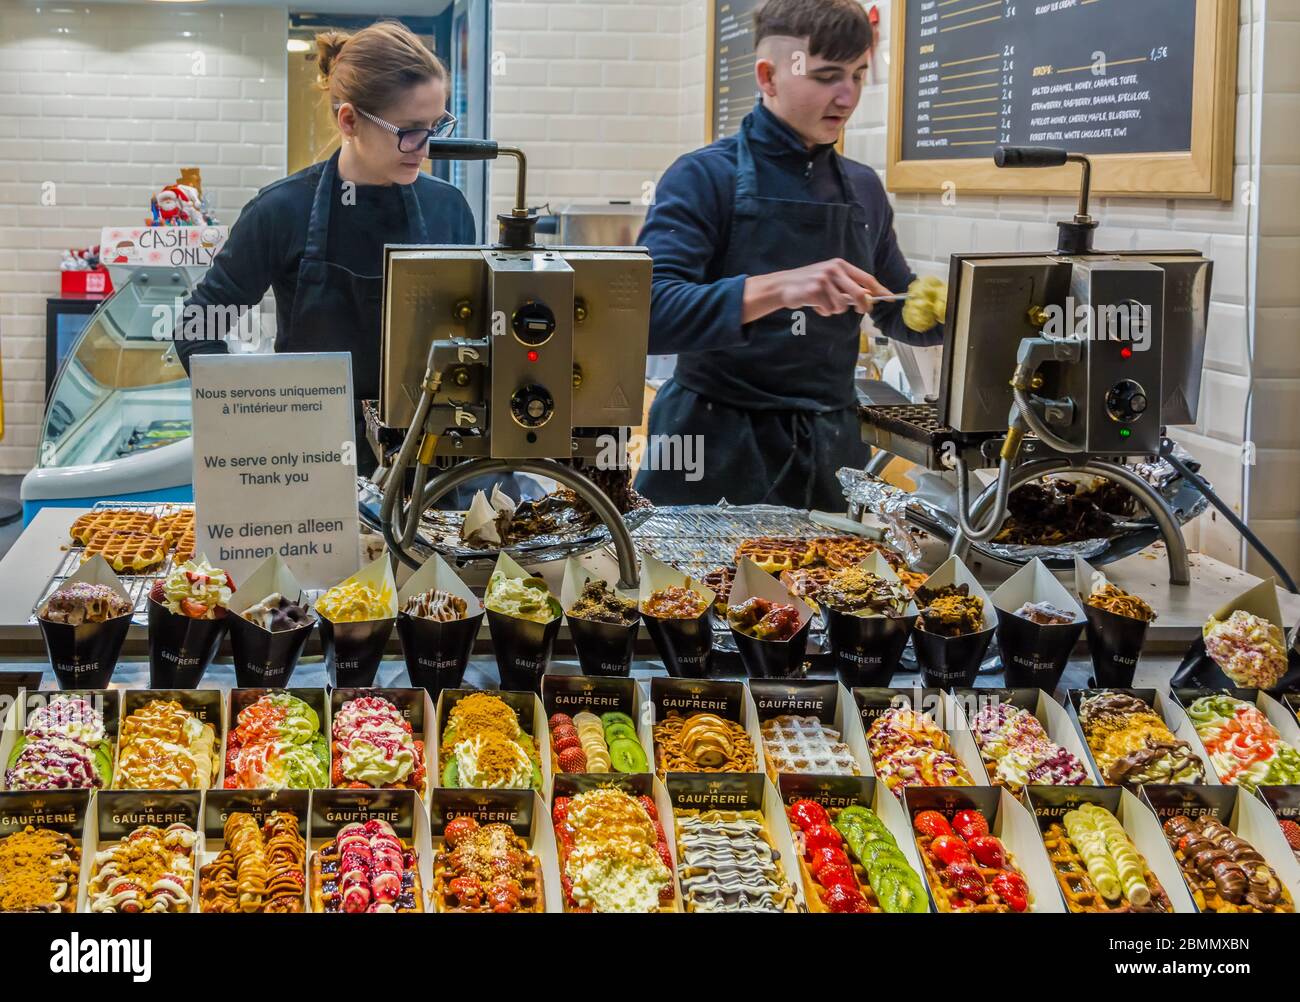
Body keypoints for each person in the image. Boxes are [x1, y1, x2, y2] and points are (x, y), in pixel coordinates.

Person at [634, 0, 944, 511]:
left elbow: (892, 307)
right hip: (710, 445)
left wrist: (952, 310)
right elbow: (649, 316)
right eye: (826, 77)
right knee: (691, 593)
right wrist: (778, 288)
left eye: (859, 76)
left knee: (828, 589)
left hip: (829, 450)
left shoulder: (863, 189)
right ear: (768, 77)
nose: (847, 96)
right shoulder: (702, 177)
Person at [171, 21, 475, 477]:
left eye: (436, 126)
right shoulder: (280, 211)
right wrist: (249, 418)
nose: (425, 147)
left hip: (429, 465)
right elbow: (197, 324)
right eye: (411, 131)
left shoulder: (448, 209)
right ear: (349, 120)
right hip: (309, 467)